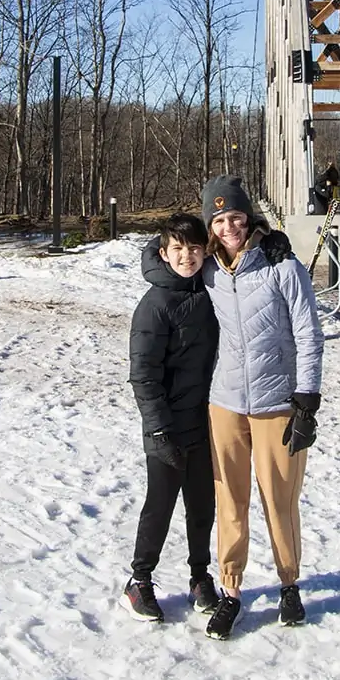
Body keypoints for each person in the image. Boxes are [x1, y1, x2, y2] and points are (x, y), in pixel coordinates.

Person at [200, 175, 324, 640]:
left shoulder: (282, 265)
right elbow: (164, 258)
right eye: (219, 219)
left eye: (235, 216)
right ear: (210, 226)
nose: (229, 226)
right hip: (225, 402)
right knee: (230, 500)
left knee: (280, 499)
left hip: (277, 403)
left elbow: (309, 333)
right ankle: (231, 591)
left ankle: (289, 584)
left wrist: (307, 399)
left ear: (248, 217)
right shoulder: (208, 270)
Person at [120, 213, 221, 623]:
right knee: (159, 506)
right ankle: (139, 580)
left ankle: (200, 576)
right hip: (166, 426)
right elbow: (142, 374)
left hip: (205, 420)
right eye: (177, 249)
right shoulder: (155, 304)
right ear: (164, 253)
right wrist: (159, 428)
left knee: (202, 506)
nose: (187, 256)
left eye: (194, 248)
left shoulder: (212, 286)